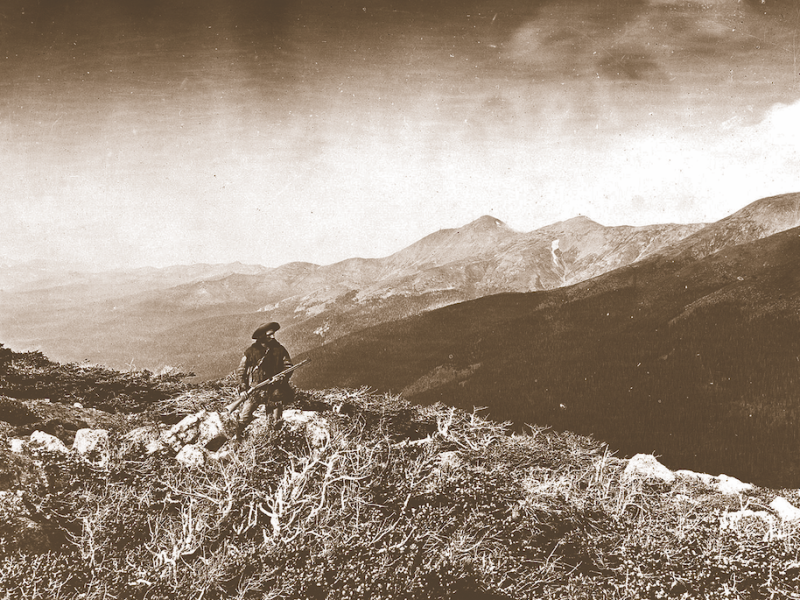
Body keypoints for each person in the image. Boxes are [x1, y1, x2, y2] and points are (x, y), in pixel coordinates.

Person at [234, 322, 294, 438]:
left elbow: (288, 367)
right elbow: (241, 371)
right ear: (262, 336)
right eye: (269, 335)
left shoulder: (280, 349)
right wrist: (243, 388)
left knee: (275, 422)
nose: (273, 337)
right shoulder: (250, 352)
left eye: (273, 334)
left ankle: (273, 443)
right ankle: (238, 441)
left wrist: (281, 377)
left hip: (275, 391)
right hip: (255, 390)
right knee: (244, 418)